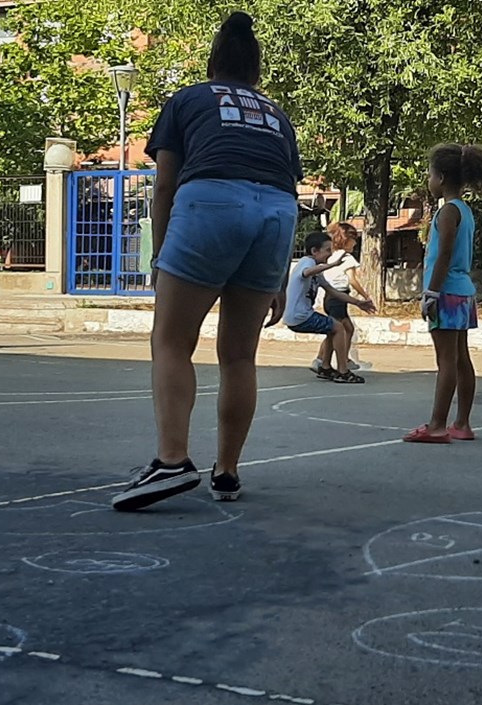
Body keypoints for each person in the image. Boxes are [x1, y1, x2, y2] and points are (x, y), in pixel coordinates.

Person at [112, 12, 303, 511]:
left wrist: (159, 255)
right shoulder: (277, 115)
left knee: (172, 341)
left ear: (213, 61)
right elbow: (286, 188)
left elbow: (166, 184)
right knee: (239, 356)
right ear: (256, 70)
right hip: (277, 217)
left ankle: (172, 460)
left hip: (211, 203)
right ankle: (227, 472)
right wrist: (279, 278)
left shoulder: (189, 99)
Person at [403, 144, 482, 443]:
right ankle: (462, 423)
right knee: (460, 359)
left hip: (446, 292)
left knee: (445, 360)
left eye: (430, 174)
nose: (428, 180)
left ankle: (437, 425)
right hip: (463, 291)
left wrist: (431, 292)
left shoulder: (447, 212)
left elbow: (443, 253)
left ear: (442, 178)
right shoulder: (464, 210)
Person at [284, 231, 376, 382]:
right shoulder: (307, 262)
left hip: (301, 315)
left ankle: (325, 367)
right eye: (327, 250)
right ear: (314, 251)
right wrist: (332, 265)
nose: (330, 254)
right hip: (300, 316)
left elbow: (333, 291)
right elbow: (306, 273)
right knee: (339, 327)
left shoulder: (316, 270)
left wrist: (358, 302)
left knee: (332, 328)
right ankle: (343, 371)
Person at [310, 221, 372, 374]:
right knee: (338, 330)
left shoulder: (331, 256)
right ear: (346, 240)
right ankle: (331, 360)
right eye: (354, 239)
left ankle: (332, 359)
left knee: (343, 328)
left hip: (330, 297)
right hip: (339, 297)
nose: (355, 243)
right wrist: (365, 296)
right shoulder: (347, 258)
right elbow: (352, 280)